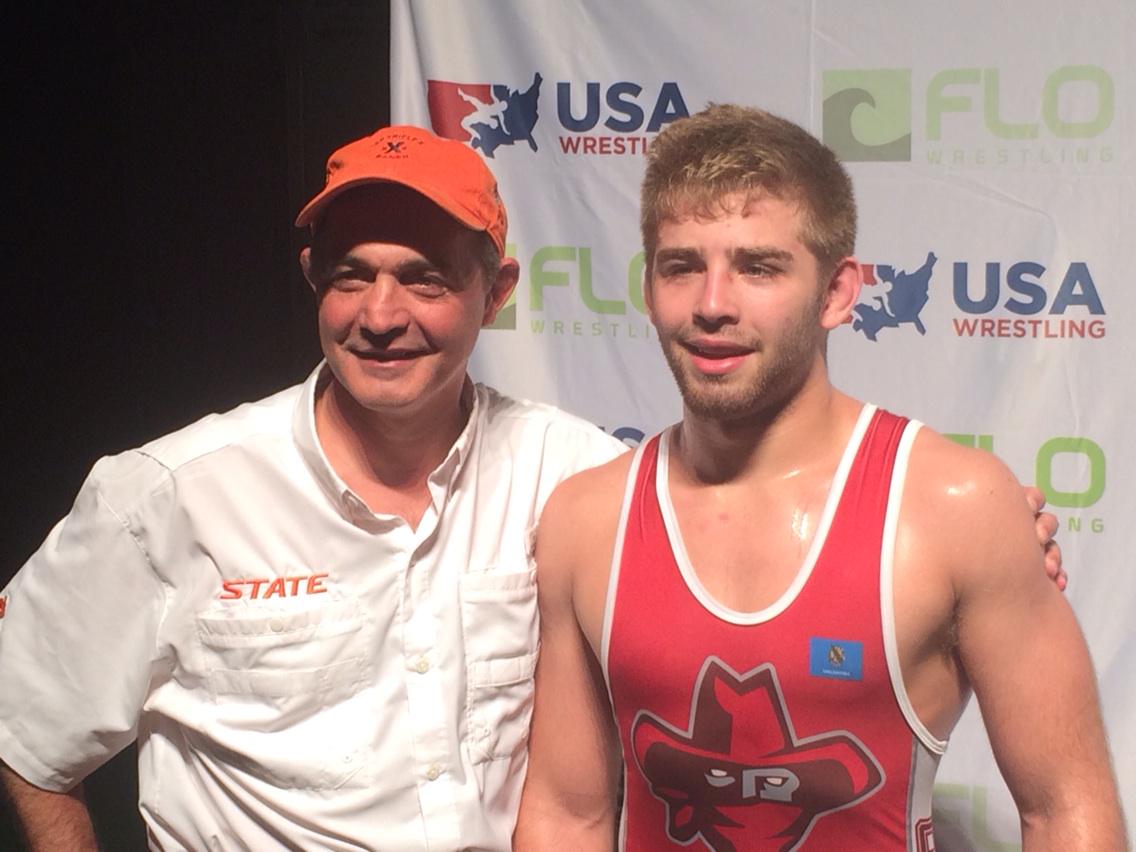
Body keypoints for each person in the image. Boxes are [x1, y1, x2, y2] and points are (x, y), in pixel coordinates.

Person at [0, 123, 1064, 851]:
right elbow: (26, 727)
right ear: (311, 283)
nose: (382, 313)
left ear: (494, 291)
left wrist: (982, 534)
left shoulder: (576, 481)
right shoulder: (172, 491)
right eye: (350, 275)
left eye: (423, 277)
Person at [514, 105, 1125, 850]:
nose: (713, 304)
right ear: (649, 287)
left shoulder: (951, 507)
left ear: (837, 293)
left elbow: (1065, 809)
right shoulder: (586, 518)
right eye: (682, 267)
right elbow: (565, 813)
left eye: (758, 267)